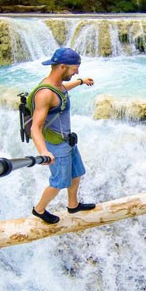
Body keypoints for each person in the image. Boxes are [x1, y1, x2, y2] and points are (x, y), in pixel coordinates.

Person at [30, 47, 96, 224]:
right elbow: (35, 128)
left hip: (68, 141)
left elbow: (63, 89)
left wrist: (81, 81)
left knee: (77, 173)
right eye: (75, 69)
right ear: (62, 67)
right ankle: (39, 209)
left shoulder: (57, 85)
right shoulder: (45, 94)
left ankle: (73, 205)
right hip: (56, 146)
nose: (77, 72)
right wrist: (44, 151)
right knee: (58, 182)